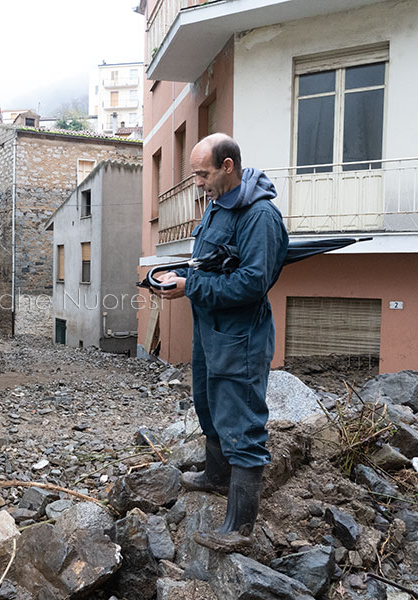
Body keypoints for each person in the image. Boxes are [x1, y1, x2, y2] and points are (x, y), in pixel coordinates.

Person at [155, 134, 288, 553]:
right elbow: (210, 263)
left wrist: (191, 286)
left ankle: (239, 527)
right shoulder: (216, 207)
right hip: (210, 331)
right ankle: (216, 476)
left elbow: (252, 283)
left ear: (227, 166)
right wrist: (180, 276)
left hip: (240, 338)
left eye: (202, 173)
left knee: (242, 422)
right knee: (208, 404)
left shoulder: (260, 216)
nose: (198, 182)